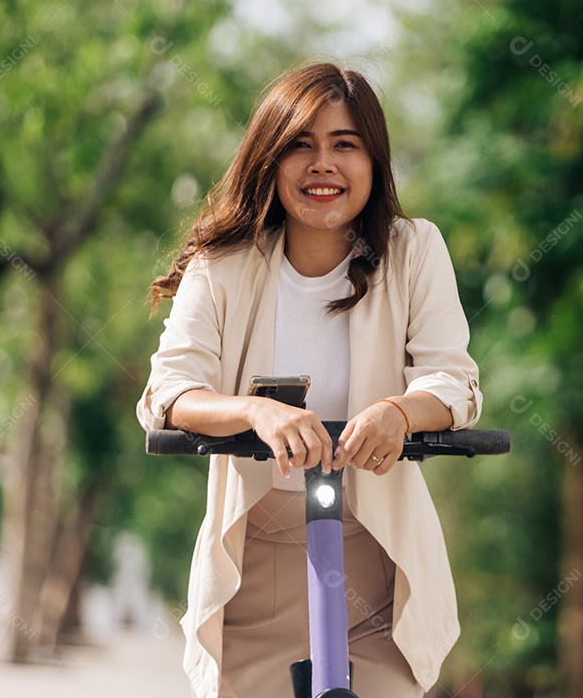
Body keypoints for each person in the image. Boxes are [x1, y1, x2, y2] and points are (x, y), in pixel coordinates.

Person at [136, 62, 482, 698]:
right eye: (301, 145)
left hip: (374, 556)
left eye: (344, 145)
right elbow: (170, 392)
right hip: (256, 563)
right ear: (269, 160)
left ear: (374, 161)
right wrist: (254, 413)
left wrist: (400, 413)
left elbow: (452, 380)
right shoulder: (223, 265)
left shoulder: (414, 251)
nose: (323, 164)